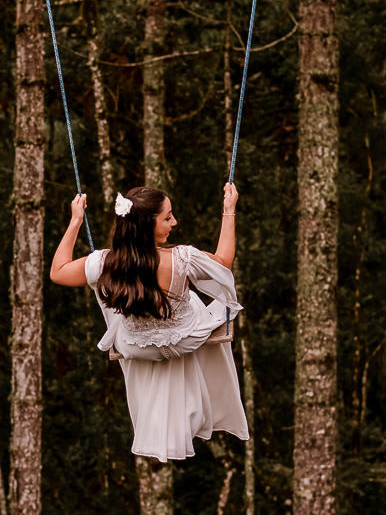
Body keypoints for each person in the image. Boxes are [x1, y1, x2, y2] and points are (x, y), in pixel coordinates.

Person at [49, 184, 249, 461]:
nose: (174, 222)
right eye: (167, 217)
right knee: (193, 300)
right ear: (147, 224)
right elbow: (223, 262)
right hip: (183, 342)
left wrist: (75, 220)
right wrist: (229, 210)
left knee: (121, 309)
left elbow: (58, 272)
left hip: (136, 347)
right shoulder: (182, 258)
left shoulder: (104, 262)